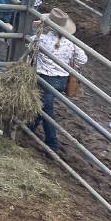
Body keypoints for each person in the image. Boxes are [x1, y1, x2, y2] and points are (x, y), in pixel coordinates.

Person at [30, 9, 88, 153]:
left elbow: (29, 44)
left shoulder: (42, 39)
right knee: (44, 104)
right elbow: (83, 59)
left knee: (47, 110)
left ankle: (52, 143)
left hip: (45, 80)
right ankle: (30, 126)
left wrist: (39, 27)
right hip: (62, 81)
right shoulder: (71, 43)